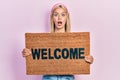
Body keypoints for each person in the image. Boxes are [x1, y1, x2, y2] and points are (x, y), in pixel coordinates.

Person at [22, 3, 93, 80]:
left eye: (63, 15)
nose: (59, 18)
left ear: (67, 18)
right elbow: (37, 57)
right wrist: (28, 54)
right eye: (56, 15)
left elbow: (79, 59)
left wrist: (88, 60)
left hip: (67, 78)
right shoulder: (43, 41)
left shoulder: (75, 41)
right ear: (52, 18)